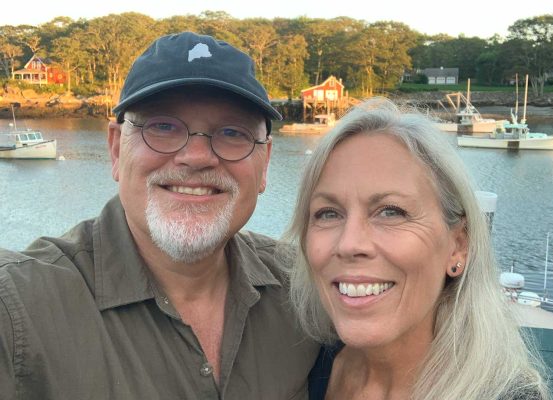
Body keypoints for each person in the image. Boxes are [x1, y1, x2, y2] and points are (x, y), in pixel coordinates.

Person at [0, 32, 319, 399]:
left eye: (233, 132)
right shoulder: (18, 309)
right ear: (116, 149)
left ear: (264, 164)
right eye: (163, 127)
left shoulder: (305, 290)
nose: (197, 156)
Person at [283, 98, 550, 400]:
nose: (349, 244)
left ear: (459, 246)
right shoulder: (306, 362)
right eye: (328, 213)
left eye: (391, 212)